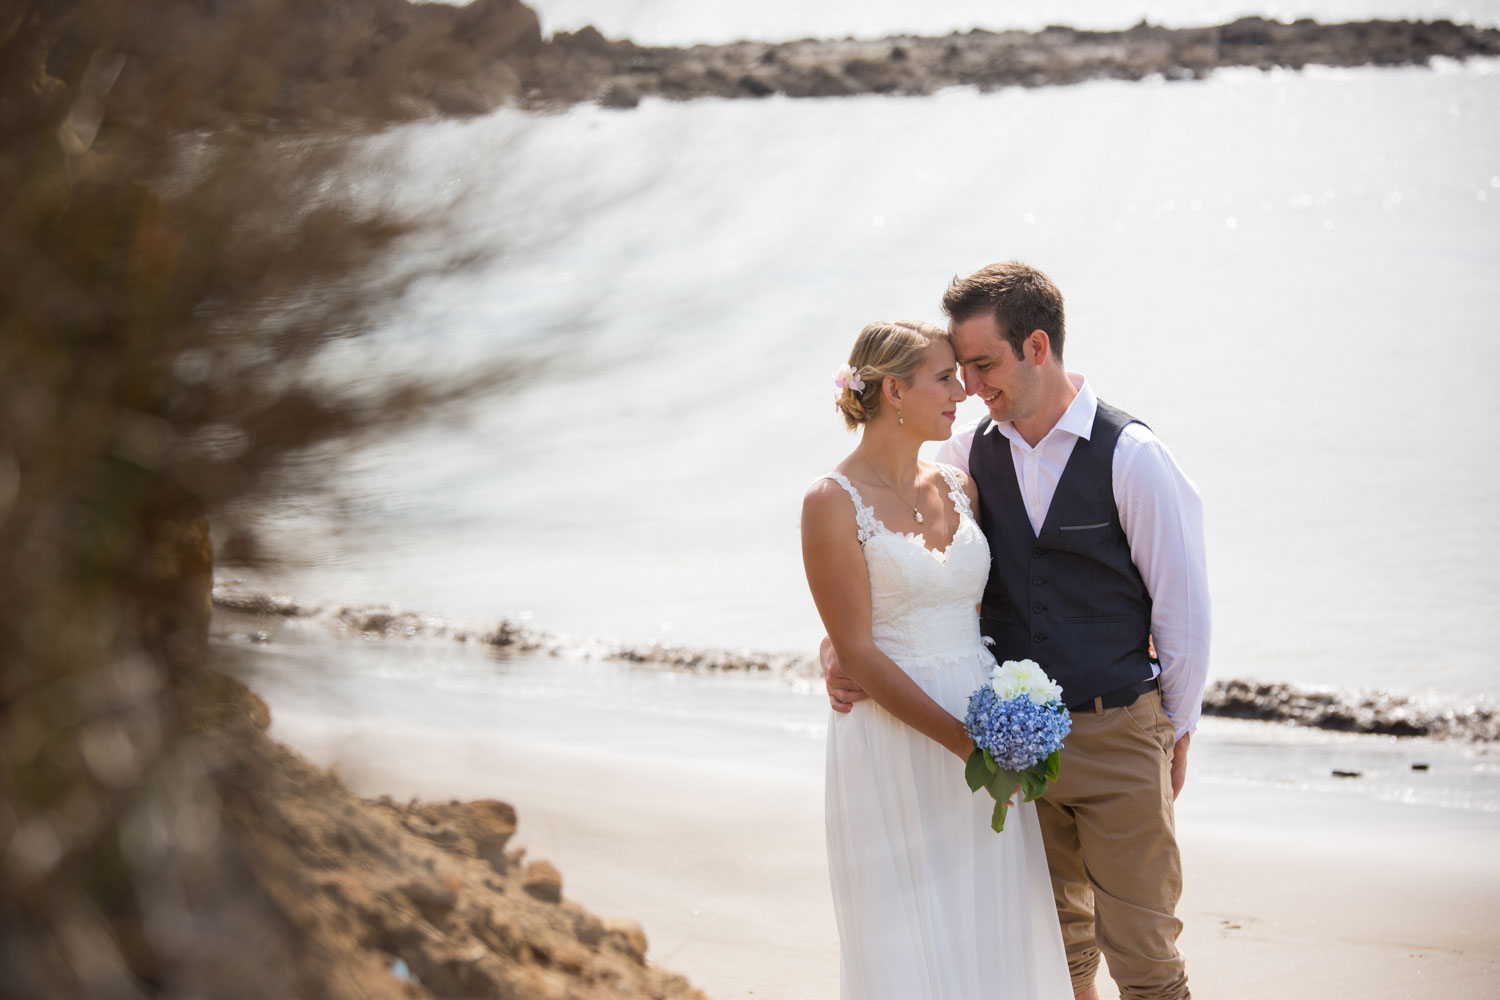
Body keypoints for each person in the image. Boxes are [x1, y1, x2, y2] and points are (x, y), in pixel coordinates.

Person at [823, 263, 1210, 1000]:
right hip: (1014, 749)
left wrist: (1175, 728)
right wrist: (834, 649)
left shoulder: (1133, 456)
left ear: (1037, 347)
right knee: (1049, 957)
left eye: (982, 363)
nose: (968, 385)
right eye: (959, 368)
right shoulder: (965, 461)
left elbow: (1183, 611)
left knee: (1148, 961)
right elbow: (898, 560)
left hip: (1118, 733)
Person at [802, 320, 1073, 1000]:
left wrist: (1004, 731)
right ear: (894, 389)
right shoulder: (830, 503)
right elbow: (857, 647)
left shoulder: (959, 486)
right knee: (905, 933)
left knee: (991, 920)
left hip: (982, 721)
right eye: (946, 377)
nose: (965, 389)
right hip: (894, 738)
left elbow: (983, 611)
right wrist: (962, 743)